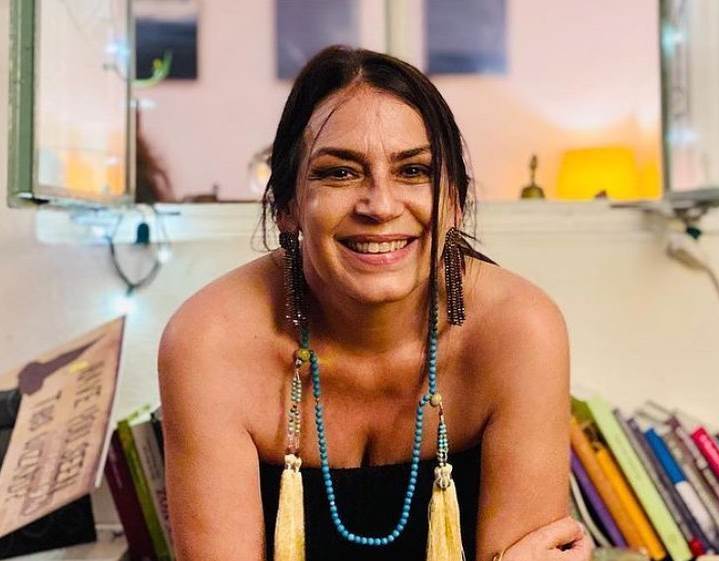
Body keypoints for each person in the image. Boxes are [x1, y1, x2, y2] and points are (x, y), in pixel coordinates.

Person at [158, 46, 592, 561]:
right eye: (340, 173)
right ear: (286, 207)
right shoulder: (210, 342)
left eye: (415, 171)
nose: (381, 206)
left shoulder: (520, 332)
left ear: (455, 200)